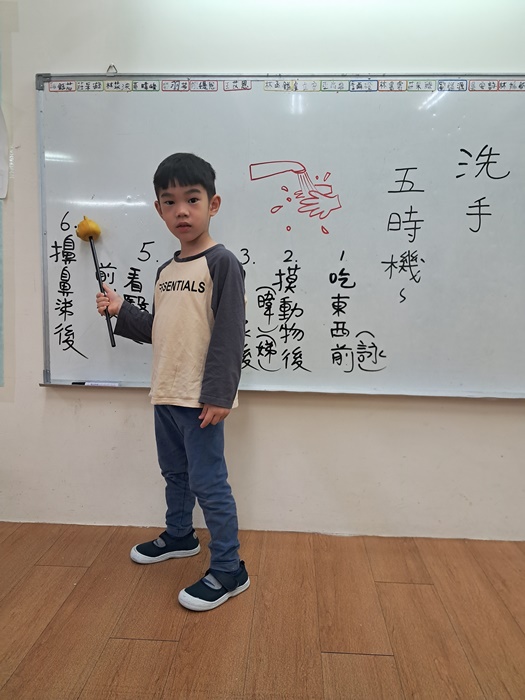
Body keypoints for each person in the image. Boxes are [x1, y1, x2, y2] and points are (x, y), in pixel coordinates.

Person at [96, 152, 249, 612]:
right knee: (175, 474)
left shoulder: (222, 263)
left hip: (200, 399)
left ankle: (229, 568)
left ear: (213, 204)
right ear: (159, 210)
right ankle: (181, 535)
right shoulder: (166, 271)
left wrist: (219, 394)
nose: (181, 210)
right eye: (170, 201)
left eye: (192, 199)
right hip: (165, 391)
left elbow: (229, 334)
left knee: (209, 483)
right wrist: (121, 309)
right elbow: (160, 329)